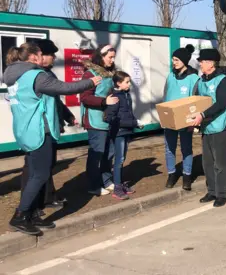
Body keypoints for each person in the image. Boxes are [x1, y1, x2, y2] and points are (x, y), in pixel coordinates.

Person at [5, 43, 99, 235]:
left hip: (26, 130)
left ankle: (31, 214)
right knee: (40, 174)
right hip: (40, 131)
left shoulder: (15, 76)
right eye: (40, 54)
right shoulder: (35, 75)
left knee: (34, 173)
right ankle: (20, 216)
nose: (42, 58)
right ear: (33, 57)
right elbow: (64, 88)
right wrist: (91, 82)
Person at [20, 39, 77, 215]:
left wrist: (66, 115)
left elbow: (55, 101)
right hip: (39, 130)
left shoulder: (45, 74)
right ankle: (29, 208)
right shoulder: (36, 76)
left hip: (49, 126)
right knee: (34, 170)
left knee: (46, 167)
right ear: (39, 56)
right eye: (51, 54)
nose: (54, 58)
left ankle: (46, 198)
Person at [188, 48, 226, 208]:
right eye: (200, 61)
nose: (200, 64)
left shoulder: (224, 81)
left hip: (220, 127)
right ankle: (212, 191)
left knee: (220, 163)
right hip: (207, 127)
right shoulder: (201, 81)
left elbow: (221, 104)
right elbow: (196, 102)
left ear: (211, 63)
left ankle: (222, 194)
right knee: (207, 162)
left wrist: (202, 115)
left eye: (202, 61)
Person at [80, 45, 119, 196]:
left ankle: (107, 180)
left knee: (109, 152)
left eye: (114, 57)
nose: (112, 60)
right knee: (97, 154)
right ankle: (93, 185)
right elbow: (85, 98)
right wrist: (104, 102)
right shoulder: (90, 74)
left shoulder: (110, 74)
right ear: (101, 57)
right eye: (110, 57)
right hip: (95, 121)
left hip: (108, 120)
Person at [163, 47, 200, 191]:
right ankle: (172, 174)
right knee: (169, 148)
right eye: (173, 60)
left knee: (186, 148)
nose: (174, 62)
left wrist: (193, 122)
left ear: (184, 61)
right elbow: (165, 95)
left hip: (186, 120)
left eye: (176, 60)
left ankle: (187, 175)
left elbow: (196, 101)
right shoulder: (170, 76)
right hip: (170, 119)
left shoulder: (193, 78)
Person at [104, 71, 142, 200]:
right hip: (119, 132)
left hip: (126, 131)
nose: (129, 84)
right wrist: (133, 122)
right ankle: (117, 188)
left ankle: (120, 183)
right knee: (119, 160)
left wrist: (135, 123)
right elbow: (110, 118)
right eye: (127, 82)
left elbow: (128, 113)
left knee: (122, 158)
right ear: (118, 83)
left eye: (129, 81)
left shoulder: (126, 95)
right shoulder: (115, 97)